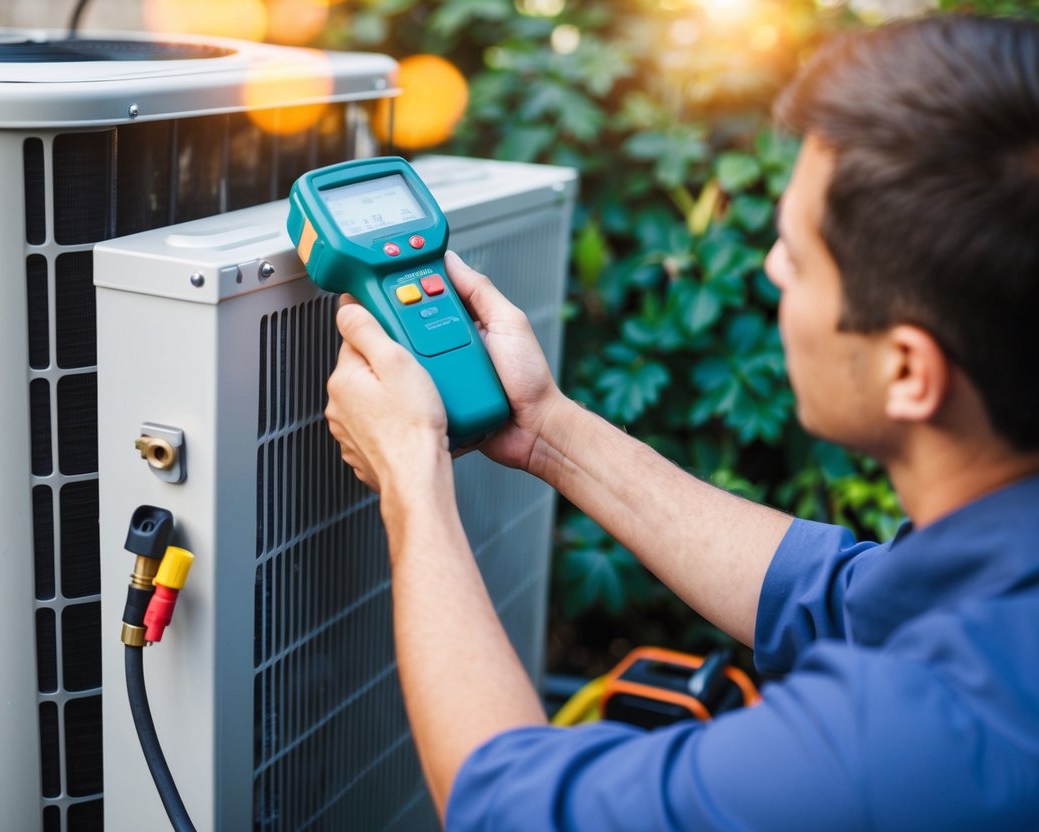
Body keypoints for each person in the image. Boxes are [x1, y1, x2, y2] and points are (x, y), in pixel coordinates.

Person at [324, 14, 1039, 830]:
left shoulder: (916, 743)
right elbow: (836, 598)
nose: (771, 268)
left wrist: (412, 480)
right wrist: (547, 428)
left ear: (907, 371)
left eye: (797, 259)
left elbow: (507, 807)